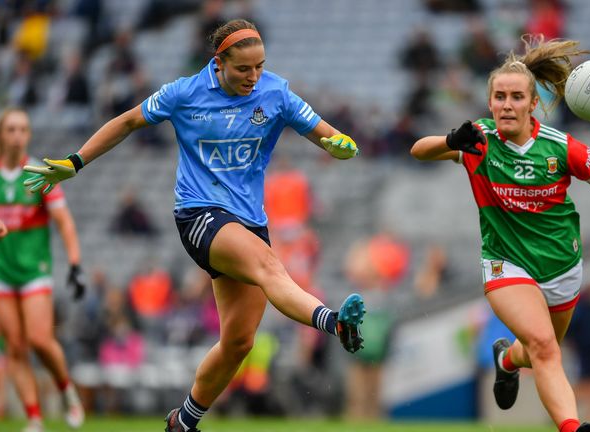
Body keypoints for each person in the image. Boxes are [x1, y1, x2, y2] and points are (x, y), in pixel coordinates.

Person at [22, 19, 366, 432]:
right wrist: (75, 162)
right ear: (218, 62)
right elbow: (128, 121)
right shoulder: (184, 93)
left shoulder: (275, 91)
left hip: (250, 222)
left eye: (259, 66)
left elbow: (325, 133)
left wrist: (336, 143)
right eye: (244, 69)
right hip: (199, 215)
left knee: (238, 343)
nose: (253, 77)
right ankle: (335, 322)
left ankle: (182, 422)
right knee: (270, 267)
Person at [410, 35, 590, 432]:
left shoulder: (560, 147)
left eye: (516, 97)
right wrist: (451, 140)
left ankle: (506, 361)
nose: (506, 104)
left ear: (533, 103)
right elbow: (418, 149)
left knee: (537, 351)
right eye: (499, 96)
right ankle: (573, 428)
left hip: (562, 267)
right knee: (547, 348)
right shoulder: (477, 140)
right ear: (490, 102)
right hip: (505, 265)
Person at [0, 108, 86, 432]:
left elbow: (65, 223)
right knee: (15, 346)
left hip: (34, 271)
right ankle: (34, 418)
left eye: (23, 129)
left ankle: (65, 390)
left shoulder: (41, 174)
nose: (18, 135)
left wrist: (74, 263)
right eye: (11, 129)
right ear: (0, 135)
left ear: (29, 135)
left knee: (40, 340)